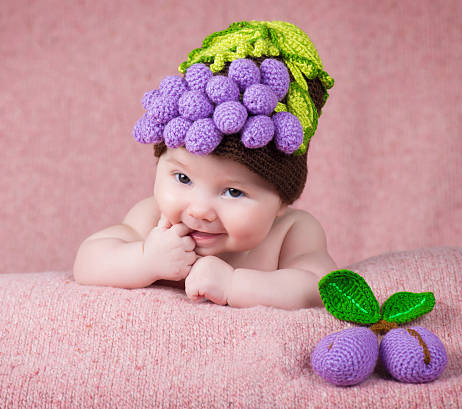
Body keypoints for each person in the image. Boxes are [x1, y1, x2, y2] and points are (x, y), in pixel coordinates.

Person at [73, 21, 337, 309]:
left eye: (234, 192)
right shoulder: (152, 218)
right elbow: (88, 261)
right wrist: (145, 259)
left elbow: (319, 286)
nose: (199, 210)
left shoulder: (291, 232)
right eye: (183, 178)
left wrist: (233, 284)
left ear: (282, 201)